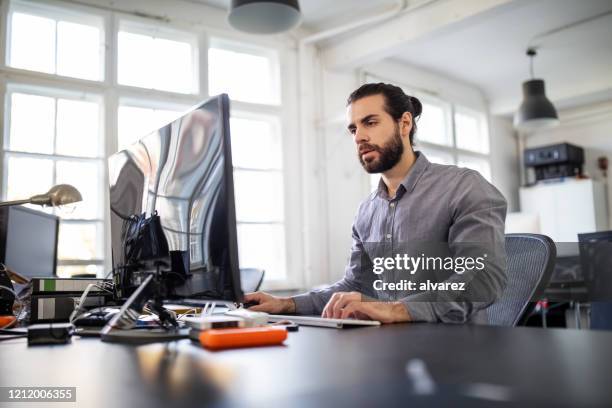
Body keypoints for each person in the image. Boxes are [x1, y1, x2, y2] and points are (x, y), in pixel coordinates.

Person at [245, 83, 507, 324]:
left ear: (404, 124)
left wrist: (396, 309)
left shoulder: (463, 187)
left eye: (370, 122)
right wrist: (286, 303)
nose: (359, 137)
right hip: (388, 348)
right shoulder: (367, 211)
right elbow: (356, 285)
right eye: (353, 128)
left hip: (456, 352)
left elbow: (482, 279)